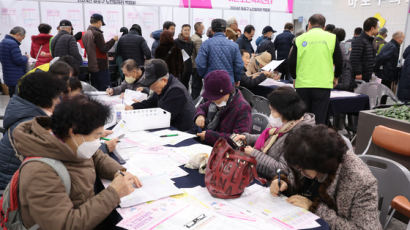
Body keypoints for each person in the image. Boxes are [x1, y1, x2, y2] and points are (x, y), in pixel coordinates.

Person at [13, 95, 141, 229]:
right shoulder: (39, 171)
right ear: (73, 132)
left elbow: (97, 156)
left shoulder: (72, 143)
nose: (99, 141)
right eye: (97, 135)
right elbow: (64, 225)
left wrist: (120, 172)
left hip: (88, 210)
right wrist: (114, 193)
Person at [270, 124, 381, 229]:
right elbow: (296, 181)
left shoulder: (360, 180)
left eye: (301, 168)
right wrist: (284, 184)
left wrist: (314, 208)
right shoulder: (307, 157)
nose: (300, 171)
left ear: (319, 164)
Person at [0, 72, 66, 190]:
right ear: (46, 98)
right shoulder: (31, 126)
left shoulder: (23, 112)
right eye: (57, 97)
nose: (59, 101)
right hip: (14, 191)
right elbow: (66, 154)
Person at [233, 87, 315, 180]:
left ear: (285, 112)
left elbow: (284, 170)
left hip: (276, 184)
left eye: (273, 111)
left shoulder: (299, 136)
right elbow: (267, 138)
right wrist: (247, 138)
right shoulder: (281, 124)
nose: (270, 115)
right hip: (260, 174)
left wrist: (254, 154)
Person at [288, 14, 343, 124]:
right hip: (322, 85)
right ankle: (317, 141)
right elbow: (339, 61)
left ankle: (302, 140)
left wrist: (294, 77)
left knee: (302, 119)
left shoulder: (299, 39)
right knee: (319, 119)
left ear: (309, 24)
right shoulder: (332, 38)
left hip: (302, 85)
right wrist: (336, 77)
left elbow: (291, 62)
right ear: (324, 26)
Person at [127, 59, 195, 132]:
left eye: (152, 85)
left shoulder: (176, 91)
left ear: (164, 80)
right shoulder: (162, 87)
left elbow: (162, 117)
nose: (150, 88)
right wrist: (133, 107)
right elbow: (151, 102)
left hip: (182, 132)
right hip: (168, 128)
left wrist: (139, 120)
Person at [195, 70, 251, 146]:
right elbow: (202, 107)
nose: (212, 101)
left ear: (227, 93)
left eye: (216, 98)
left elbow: (239, 140)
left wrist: (210, 136)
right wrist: (200, 115)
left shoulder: (242, 108)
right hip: (207, 145)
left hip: (224, 151)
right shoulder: (215, 102)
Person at [196, 19, 243, 85]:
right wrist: (237, 78)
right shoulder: (234, 46)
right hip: (228, 82)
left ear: (212, 30)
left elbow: (200, 63)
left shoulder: (205, 44)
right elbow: (239, 65)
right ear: (225, 30)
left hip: (211, 81)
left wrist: (205, 76)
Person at [83, 14, 118, 91]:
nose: (101, 25)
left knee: (95, 89)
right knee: (105, 89)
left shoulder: (86, 33)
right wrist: (113, 40)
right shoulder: (97, 33)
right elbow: (104, 49)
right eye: (101, 23)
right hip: (101, 66)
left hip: (92, 65)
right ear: (99, 22)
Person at [0, 26, 28, 96]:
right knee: (17, 98)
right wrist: (26, 57)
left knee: (12, 97)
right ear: (18, 34)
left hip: (8, 75)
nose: (21, 40)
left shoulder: (3, 42)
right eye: (22, 38)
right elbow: (18, 60)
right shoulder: (12, 44)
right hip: (16, 76)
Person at [351, 17, 379, 82]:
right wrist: (358, 73)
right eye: (377, 27)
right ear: (372, 28)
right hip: (360, 77)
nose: (378, 30)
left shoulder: (369, 41)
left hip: (366, 76)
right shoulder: (360, 40)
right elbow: (355, 58)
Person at [175, 24, 196, 89]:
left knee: (186, 85)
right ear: (181, 31)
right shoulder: (176, 42)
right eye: (185, 30)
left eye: (188, 30)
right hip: (179, 67)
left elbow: (191, 55)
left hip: (188, 67)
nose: (187, 32)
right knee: (179, 85)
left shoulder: (191, 42)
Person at [191, 22, 205, 99]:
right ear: (199, 29)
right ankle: (194, 102)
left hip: (193, 65)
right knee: (197, 86)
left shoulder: (193, 37)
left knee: (194, 85)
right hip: (196, 66)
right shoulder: (198, 39)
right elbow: (200, 55)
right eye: (203, 28)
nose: (204, 30)